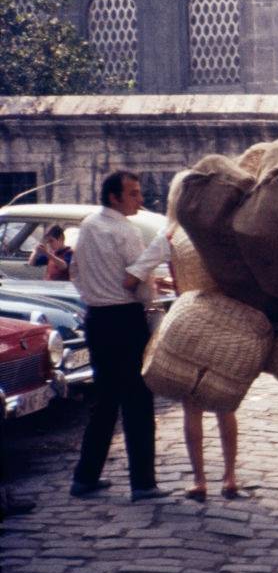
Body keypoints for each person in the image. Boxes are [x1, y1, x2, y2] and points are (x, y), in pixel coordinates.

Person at [123, 171, 241, 502]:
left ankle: (200, 480)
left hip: (189, 322)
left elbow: (133, 275)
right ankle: (230, 477)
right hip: (224, 321)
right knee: (225, 403)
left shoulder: (171, 235)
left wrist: (151, 286)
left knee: (192, 406)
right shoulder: (221, 232)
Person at [68, 170, 168, 503]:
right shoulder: (123, 230)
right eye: (134, 193)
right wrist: (159, 249)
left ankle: (85, 476)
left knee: (105, 400)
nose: (141, 199)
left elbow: (77, 273)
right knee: (137, 401)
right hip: (124, 320)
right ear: (115, 197)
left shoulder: (88, 225)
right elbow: (129, 281)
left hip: (97, 319)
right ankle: (143, 483)